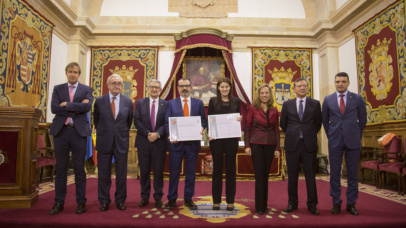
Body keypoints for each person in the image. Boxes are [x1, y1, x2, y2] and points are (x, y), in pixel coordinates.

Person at [49, 62, 93, 215]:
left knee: (79, 170)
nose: (73, 74)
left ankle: (81, 202)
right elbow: (54, 108)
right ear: (66, 73)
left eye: (75, 72)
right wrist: (77, 107)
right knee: (61, 169)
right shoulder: (58, 88)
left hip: (78, 132)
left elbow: (87, 107)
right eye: (70, 71)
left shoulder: (86, 89)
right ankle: (58, 202)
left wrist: (67, 105)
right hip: (61, 132)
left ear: (79, 74)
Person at [322, 72, 367, 216]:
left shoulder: (358, 98)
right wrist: (332, 135)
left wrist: (355, 134)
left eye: (343, 81)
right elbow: (325, 121)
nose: (340, 84)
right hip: (335, 140)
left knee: (353, 173)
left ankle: (351, 203)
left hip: (353, 141)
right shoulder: (328, 99)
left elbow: (363, 120)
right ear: (335, 83)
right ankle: (336, 203)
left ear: (348, 83)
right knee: (334, 173)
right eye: (338, 81)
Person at [280, 78, 322, 215]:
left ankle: (312, 204)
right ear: (294, 88)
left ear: (307, 88)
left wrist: (308, 133)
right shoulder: (287, 104)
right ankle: (292, 203)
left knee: (310, 176)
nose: (302, 88)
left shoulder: (315, 104)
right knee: (292, 176)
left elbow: (318, 123)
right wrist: (294, 133)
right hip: (292, 144)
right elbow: (283, 124)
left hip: (309, 144)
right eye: (299, 86)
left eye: (304, 86)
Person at [164, 78, 207, 210]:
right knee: (174, 173)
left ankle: (188, 198)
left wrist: (202, 128)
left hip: (192, 145)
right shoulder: (170, 103)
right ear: (177, 88)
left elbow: (203, 121)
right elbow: (167, 123)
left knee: (190, 173)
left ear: (191, 87)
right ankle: (172, 199)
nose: (184, 88)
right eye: (181, 86)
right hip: (176, 144)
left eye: (187, 86)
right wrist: (170, 134)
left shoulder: (198, 103)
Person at [93, 74, 133, 211]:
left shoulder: (128, 102)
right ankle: (104, 201)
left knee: (121, 174)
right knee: (104, 174)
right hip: (104, 141)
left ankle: (120, 200)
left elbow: (129, 121)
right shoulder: (99, 101)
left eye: (119, 83)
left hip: (121, 142)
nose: (117, 86)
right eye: (114, 83)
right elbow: (96, 120)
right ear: (108, 85)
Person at [244, 83, 280, 215]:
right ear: (258, 95)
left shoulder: (274, 110)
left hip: (270, 145)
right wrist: (247, 146)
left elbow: (276, 129)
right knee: (259, 175)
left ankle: (265, 205)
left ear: (270, 95)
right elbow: (247, 127)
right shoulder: (252, 108)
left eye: (267, 93)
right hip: (256, 144)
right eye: (262, 93)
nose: (264, 95)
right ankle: (259, 206)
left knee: (266, 175)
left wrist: (277, 148)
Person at [208, 78, 242, 211]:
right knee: (217, 170)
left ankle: (230, 201)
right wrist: (210, 133)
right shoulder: (213, 101)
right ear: (218, 88)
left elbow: (238, 118)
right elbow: (210, 118)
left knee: (230, 171)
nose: (224, 89)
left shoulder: (237, 101)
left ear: (230, 88)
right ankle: (216, 201)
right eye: (222, 87)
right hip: (216, 140)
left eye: (226, 87)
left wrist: (240, 119)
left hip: (231, 140)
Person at [134, 79, 168, 208]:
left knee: (159, 172)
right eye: (152, 87)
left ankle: (158, 197)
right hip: (144, 141)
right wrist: (148, 133)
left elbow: (167, 122)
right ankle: (144, 197)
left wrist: (157, 134)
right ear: (147, 88)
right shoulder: (140, 102)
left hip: (159, 143)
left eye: (157, 87)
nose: (154, 89)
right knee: (144, 171)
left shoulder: (166, 104)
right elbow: (136, 120)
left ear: (160, 90)